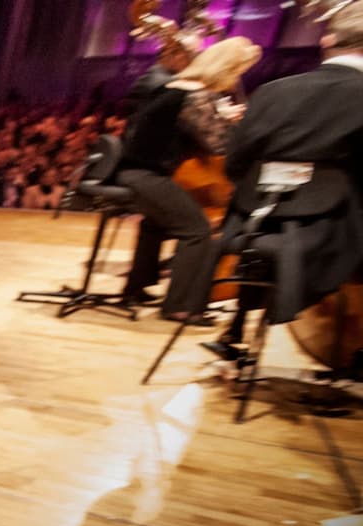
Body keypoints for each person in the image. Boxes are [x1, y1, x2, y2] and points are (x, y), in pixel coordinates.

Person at [207, 4, 363, 357]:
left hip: (249, 228)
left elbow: (235, 165)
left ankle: (237, 328)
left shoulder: (271, 91)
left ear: (328, 41)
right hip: (329, 233)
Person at [116, 37, 261, 321]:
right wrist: (233, 122)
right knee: (197, 232)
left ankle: (136, 289)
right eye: (236, 72)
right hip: (148, 176)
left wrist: (220, 115)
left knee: (155, 224)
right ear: (225, 69)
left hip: (133, 172)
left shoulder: (175, 87)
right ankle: (179, 306)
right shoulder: (195, 95)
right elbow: (218, 144)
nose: (235, 80)